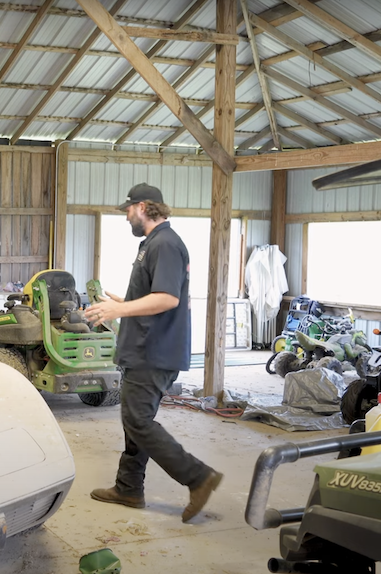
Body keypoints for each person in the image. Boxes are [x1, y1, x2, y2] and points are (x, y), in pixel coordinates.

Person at [83, 183, 222, 523]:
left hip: (154, 350)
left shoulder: (165, 244)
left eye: (128, 209)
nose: (126, 216)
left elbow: (166, 298)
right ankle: (129, 487)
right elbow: (153, 296)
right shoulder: (152, 244)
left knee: (138, 421)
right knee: (135, 421)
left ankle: (198, 476)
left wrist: (120, 312)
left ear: (143, 207)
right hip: (143, 347)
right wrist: (123, 304)